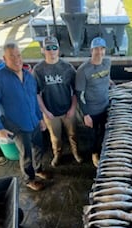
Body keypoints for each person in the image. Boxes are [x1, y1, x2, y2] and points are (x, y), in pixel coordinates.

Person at [0, 42, 49, 191]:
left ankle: (38, 169)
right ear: (4, 59)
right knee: (25, 154)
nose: (17, 59)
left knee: (39, 147)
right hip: (17, 125)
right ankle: (29, 179)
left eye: (18, 55)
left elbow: (33, 99)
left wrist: (40, 119)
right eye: (12, 57)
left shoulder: (28, 75)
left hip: (34, 121)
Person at [32, 36, 83, 167]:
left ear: (58, 50)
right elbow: (36, 94)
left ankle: (76, 153)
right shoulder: (38, 70)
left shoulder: (67, 67)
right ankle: (57, 155)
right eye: (48, 48)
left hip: (67, 110)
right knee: (55, 138)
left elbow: (76, 90)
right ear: (43, 50)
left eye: (54, 47)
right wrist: (45, 112)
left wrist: (72, 108)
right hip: (50, 113)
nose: (52, 51)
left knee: (73, 134)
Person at [75, 36, 113, 168]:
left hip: (105, 106)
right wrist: (86, 114)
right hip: (91, 111)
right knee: (92, 135)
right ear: (91, 51)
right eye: (96, 49)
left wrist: (111, 84)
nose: (99, 52)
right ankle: (94, 154)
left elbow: (107, 77)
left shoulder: (107, 62)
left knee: (103, 131)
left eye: (102, 49)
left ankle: (102, 149)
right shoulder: (83, 70)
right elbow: (79, 94)